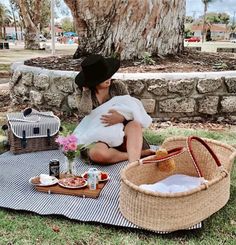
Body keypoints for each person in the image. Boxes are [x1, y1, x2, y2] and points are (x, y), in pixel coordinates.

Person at [74, 54, 155, 164]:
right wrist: (86, 91)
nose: (108, 79)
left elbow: (130, 106)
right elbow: (85, 111)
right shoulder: (84, 92)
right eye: (102, 78)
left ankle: (134, 164)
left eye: (108, 75)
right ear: (93, 81)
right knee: (97, 154)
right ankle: (139, 154)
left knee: (135, 125)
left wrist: (121, 117)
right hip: (97, 136)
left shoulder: (117, 86)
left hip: (121, 130)